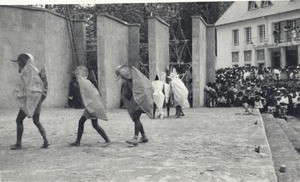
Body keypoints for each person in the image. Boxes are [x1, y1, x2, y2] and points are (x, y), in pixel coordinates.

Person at [10, 53, 49, 150]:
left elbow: (26, 87)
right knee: (36, 121)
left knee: (18, 120)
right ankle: (46, 141)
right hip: (36, 100)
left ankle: (18, 143)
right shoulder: (34, 71)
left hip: (30, 101)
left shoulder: (28, 72)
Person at [70, 66, 111, 147]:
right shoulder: (86, 82)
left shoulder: (85, 83)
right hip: (91, 105)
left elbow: (90, 96)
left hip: (92, 106)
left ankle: (107, 140)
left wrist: (90, 108)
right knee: (82, 122)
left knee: (94, 124)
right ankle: (77, 141)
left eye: (78, 74)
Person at [115, 65, 153, 146]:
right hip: (139, 97)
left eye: (122, 76)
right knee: (136, 118)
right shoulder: (130, 80)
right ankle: (144, 137)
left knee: (136, 117)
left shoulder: (135, 78)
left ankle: (135, 138)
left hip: (142, 97)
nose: (122, 78)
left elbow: (141, 89)